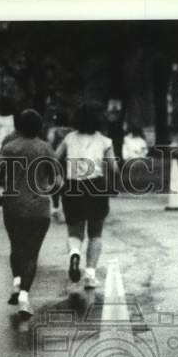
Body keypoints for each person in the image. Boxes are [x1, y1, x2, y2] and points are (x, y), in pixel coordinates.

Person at [0, 109, 61, 319]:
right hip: (39, 207)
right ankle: (24, 297)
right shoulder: (46, 149)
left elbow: (0, 178)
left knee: (16, 247)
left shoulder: (8, 148)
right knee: (32, 253)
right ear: (39, 127)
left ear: (18, 127)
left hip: (13, 205)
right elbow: (57, 180)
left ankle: (16, 283)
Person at [55, 100, 117, 289]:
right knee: (95, 233)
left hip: (72, 186)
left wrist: (60, 176)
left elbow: (54, 158)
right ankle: (90, 274)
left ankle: (75, 253)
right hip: (96, 186)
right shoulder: (105, 141)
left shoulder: (69, 138)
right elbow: (113, 167)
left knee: (75, 230)